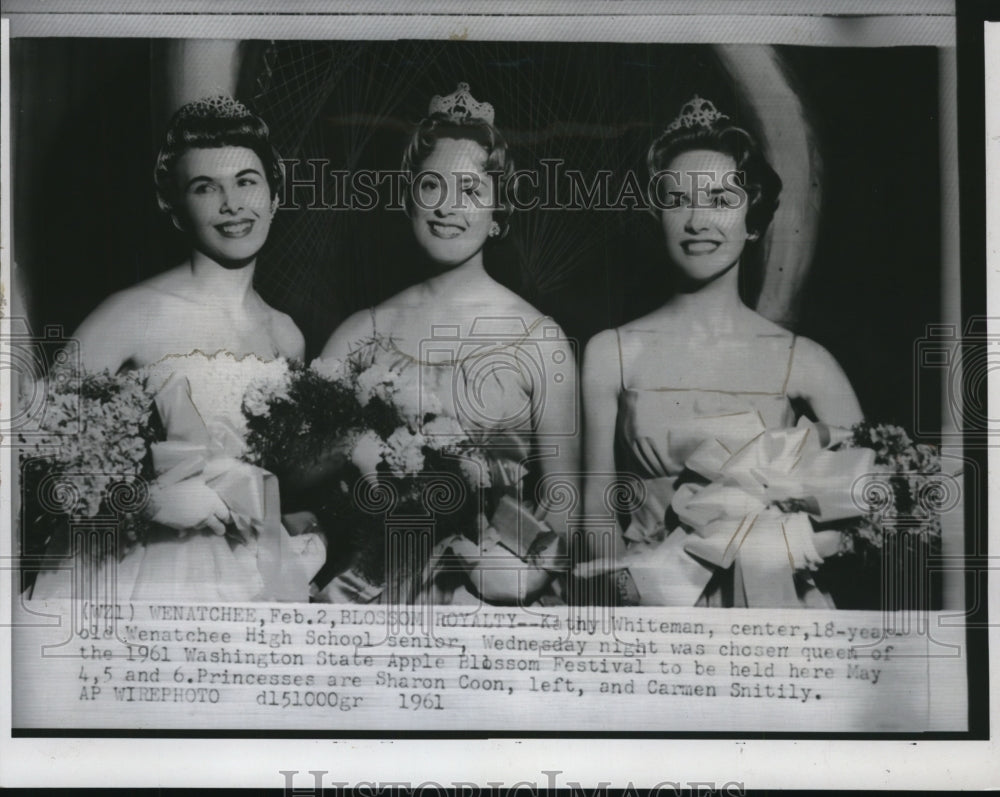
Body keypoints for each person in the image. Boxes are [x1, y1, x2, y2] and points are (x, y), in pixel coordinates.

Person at [29, 95, 324, 602]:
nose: (231, 204)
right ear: (175, 207)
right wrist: (145, 500)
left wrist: (297, 517)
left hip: (247, 570)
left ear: (274, 195)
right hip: (136, 571)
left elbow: (271, 469)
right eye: (205, 187)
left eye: (246, 181)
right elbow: (34, 451)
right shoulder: (130, 314)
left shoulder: (286, 333)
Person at [580, 95, 863, 607]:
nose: (697, 220)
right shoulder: (610, 354)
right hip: (650, 606)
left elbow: (866, 502)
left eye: (720, 200)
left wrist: (783, 549)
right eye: (677, 199)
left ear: (752, 218)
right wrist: (624, 589)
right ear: (656, 214)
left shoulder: (807, 361)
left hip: (776, 610)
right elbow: (596, 512)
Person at [317, 83, 579, 605]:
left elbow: (565, 502)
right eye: (431, 186)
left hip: (497, 595)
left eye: (470, 189)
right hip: (373, 589)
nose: (446, 208)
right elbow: (306, 480)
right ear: (409, 198)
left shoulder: (539, 339)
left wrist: (518, 575)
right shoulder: (358, 333)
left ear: (498, 207)